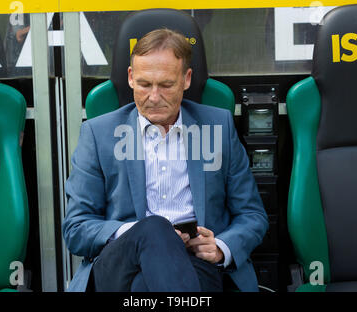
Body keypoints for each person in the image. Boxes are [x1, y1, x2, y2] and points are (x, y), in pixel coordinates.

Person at [62, 28, 268, 292]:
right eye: (145, 84)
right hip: (119, 264)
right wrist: (141, 234)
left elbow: (252, 215)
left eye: (166, 85)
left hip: (194, 263)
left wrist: (220, 247)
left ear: (186, 79)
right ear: (130, 78)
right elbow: (77, 228)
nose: (154, 97)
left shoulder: (217, 127)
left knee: (144, 287)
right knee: (154, 229)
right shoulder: (99, 134)